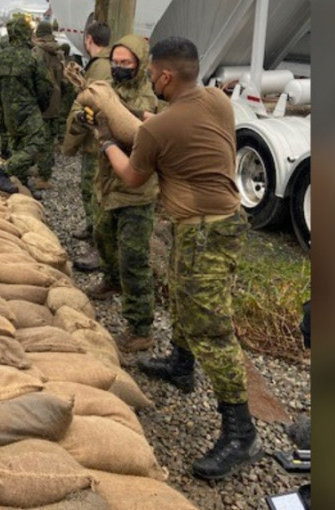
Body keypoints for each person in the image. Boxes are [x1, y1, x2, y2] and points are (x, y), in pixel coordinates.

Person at [82, 36, 263, 480]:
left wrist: (106, 139)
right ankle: (182, 365)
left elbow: (131, 172)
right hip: (212, 224)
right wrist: (138, 121)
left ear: (163, 76)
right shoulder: (216, 101)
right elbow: (164, 122)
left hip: (206, 231)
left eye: (150, 74)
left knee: (212, 328)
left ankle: (242, 433)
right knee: (182, 300)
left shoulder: (161, 131)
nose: (146, 79)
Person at [76, 34, 160, 352]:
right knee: (102, 236)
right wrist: (89, 120)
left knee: (134, 258)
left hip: (136, 190)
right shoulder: (110, 86)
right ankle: (111, 280)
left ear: (139, 64)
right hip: (109, 181)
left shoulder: (149, 96)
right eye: (115, 62)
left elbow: (138, 129)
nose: (119, 67)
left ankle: (140, 328)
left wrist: (108, 117)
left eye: (126, 63)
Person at [62, 20, 112, 269]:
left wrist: (73, 136)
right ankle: (92, 229)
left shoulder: (100, 67)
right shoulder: (100, 65)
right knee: (88, 189)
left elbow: (92, 102)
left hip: (97, 140)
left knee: (94, 192)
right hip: (96, 138)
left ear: (89, 39)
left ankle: (99, 248)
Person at [0, 17, 53, 198]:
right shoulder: (32, 58)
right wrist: (41, 108)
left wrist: (2, 107)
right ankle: (2, 172)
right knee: (37, 144)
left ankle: (22, 185)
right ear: (26, 33)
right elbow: (44, 89)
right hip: (28, 109)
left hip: (9, 111)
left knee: (18, 145)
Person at [30, 20, 64, 188]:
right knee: (49, 137)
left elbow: (34, 78)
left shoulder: (37, 52)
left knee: (41, 139)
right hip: (55, 100)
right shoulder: (59, 52)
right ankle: (44, 169)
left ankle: (43, 176)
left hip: (41, 101)